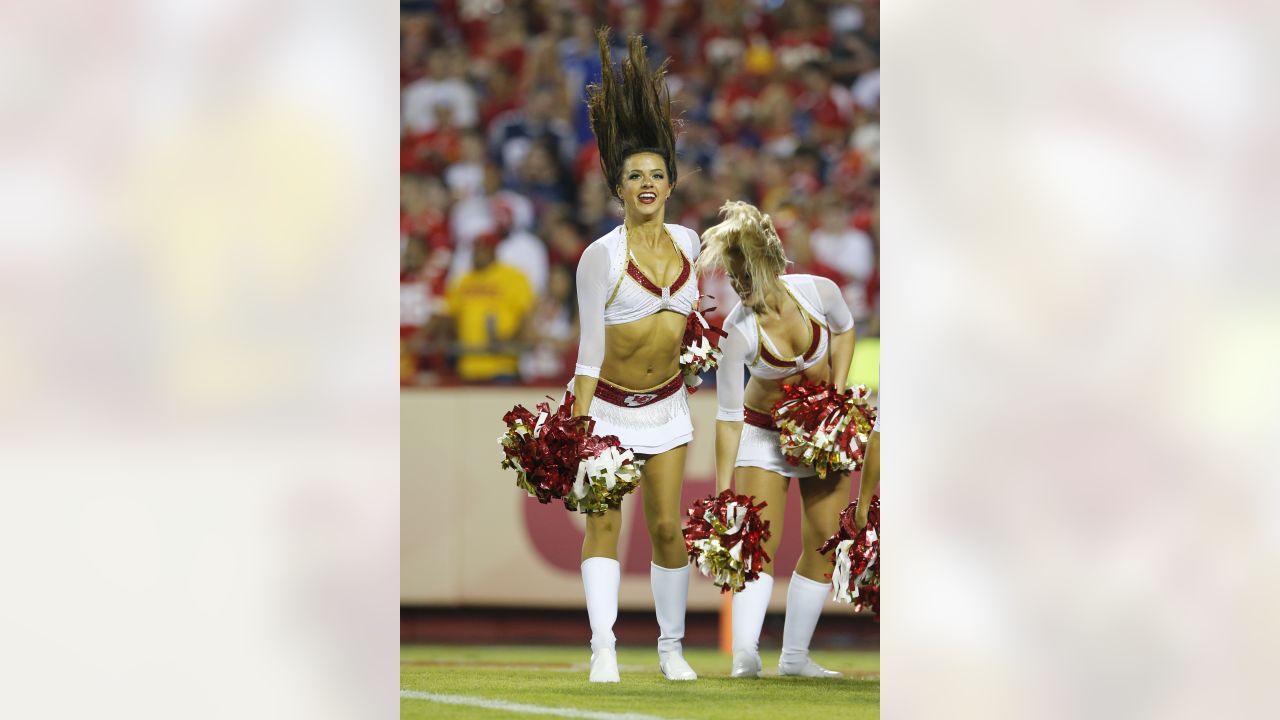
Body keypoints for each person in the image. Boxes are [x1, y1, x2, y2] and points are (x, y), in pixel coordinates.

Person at [572, 29, 700, 684]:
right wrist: (574, 429)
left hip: (669, 408)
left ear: (671, 184)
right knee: (604, 528)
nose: (645, 182)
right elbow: (589, 354)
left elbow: (703, 325)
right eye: (634, 176)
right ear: (616, 189)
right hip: (609, 413)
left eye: (656, 174)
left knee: (670, 529)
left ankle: (672, 647)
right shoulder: (601, 257)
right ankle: (603, 650)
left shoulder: (691, 242)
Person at [696, 200, 858, 679]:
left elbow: (846, 331)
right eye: (732, 277)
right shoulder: (737, 332)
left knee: (826, 540)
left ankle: (795, 658)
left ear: (769, 263)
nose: (738, 286)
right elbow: (727, 417)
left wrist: (837, 396)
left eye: (744, 275)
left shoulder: (818, 292)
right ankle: (745, 653)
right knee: (757, 545)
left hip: (820, 433)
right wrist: (725, 490)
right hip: (763, 437)